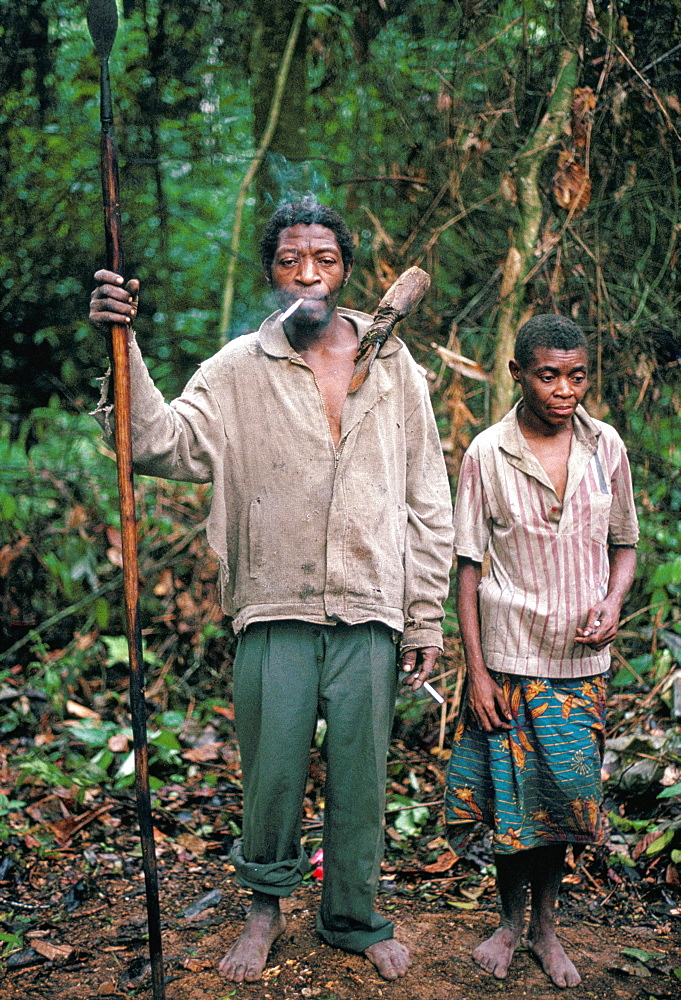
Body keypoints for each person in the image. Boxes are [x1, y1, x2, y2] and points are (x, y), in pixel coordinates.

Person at [89, 198, 454, 983]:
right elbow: (158, 443)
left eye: (323, 258)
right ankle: (264, 909)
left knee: (361, 775)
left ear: (345, 268)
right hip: (272, 604)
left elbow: (427, 497)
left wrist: (424, 616)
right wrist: (123, 342)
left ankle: (353, 915)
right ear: (271, 273)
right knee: (273, 775)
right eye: (290, 260)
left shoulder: (392, 365)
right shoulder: (235, 368)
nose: (308, 274)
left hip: (370, 605)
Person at [444, 314, 638, 989]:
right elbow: (467, 567)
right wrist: (475, 672)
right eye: (548, 375)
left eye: (576, 375)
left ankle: (545, 929)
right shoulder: (485, 453)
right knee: (509, 802)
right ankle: (505, 922)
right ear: (518, 374)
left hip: (579, 665)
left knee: (562, 798)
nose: (564, 390)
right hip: (506, 658)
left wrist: (611, 602)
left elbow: (624, 545)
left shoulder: (604, 445)